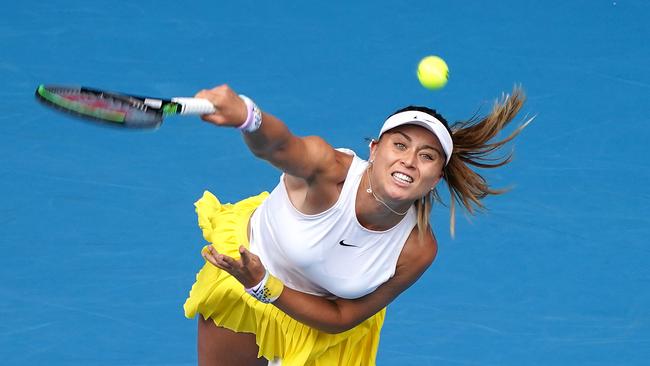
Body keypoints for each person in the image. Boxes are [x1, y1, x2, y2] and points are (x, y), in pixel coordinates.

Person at [183, 84, 530, 366]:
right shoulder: (328, 170)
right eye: (400, 145)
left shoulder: (417, 248)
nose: (409, 161)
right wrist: (248, 116)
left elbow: (341, 316)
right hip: (246, 284)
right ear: (375, 150)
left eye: (426, 156)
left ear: (437, 177)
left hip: (321, 329)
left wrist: (266, 285)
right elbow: (280, 146)